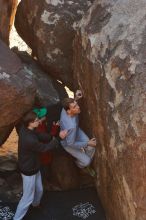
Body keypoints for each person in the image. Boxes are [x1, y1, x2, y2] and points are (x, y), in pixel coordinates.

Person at [13, 111, 67, 220]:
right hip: (29, 170)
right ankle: (17, 218)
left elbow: (39, 135)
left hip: (34, 165)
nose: (39, 121)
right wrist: (58, 138)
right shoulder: (29, 140)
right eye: (37, 120)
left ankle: (35, 205)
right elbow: (44, 148)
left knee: (39, 189)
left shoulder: (26, 128)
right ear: (31, 123)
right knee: (27, 197)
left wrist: (52, 136)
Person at [60, 96, 97, 176]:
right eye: (75, 107)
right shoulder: (70, 126)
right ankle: (79, 165)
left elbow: (68, 105)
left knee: (91, 147)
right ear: (69, 111)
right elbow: (70, 144)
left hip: (76, 131)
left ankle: (82, 156)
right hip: (68, 144)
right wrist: (87, 143)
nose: (78, 107)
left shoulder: (64, 109)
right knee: (87, 161)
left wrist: (75, 98)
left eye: (76, 104)